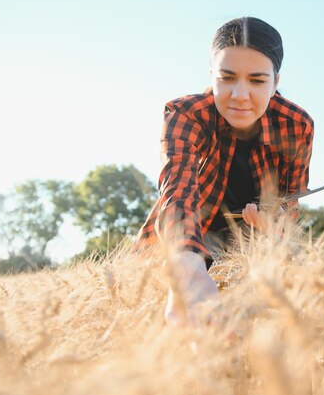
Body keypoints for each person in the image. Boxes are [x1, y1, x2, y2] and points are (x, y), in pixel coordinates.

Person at [134, 17, 314, 325]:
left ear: (276, 81)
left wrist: (272, 225)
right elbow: (178, 191)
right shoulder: (186, 114)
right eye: (227, 78)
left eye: (257, 81)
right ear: (211, 76)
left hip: (255, 239)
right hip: (193, 233)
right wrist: (189, 268)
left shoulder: (297, 125)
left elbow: (289, 203)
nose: (240, 95)